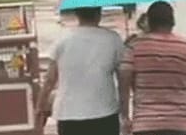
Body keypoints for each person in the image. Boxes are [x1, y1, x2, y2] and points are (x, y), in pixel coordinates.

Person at [35, 7, 126, 135]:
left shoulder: (62, 40)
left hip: (69, 114)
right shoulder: (113, 39)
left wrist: (40, 107)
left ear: (77, 14)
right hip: (104, 111)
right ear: (98, 14)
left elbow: (50, 79)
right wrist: (125, 111)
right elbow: (123, 78)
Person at [119, 1, 186, 135]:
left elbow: (124, 80)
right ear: (172, 21)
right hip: (181, 124)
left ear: (150, 21)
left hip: (145, 124)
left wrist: (125, 117)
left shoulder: (134, 47)